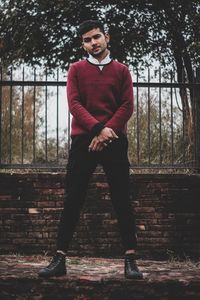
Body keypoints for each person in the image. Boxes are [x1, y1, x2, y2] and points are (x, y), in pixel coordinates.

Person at [38, 19, 143, 279]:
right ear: (82, 44)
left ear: (106, 37)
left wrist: (107, 132)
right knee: (73, 198)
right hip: (84, 140)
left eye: (96, 37)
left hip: (115, 140)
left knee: (121, 198)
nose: (92, 43)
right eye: (87, 40)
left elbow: (126, 106)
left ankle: (131, 260)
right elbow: (74, 104)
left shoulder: (122, 70)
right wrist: (98, 130)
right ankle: (59, 259)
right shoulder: (75, 69)